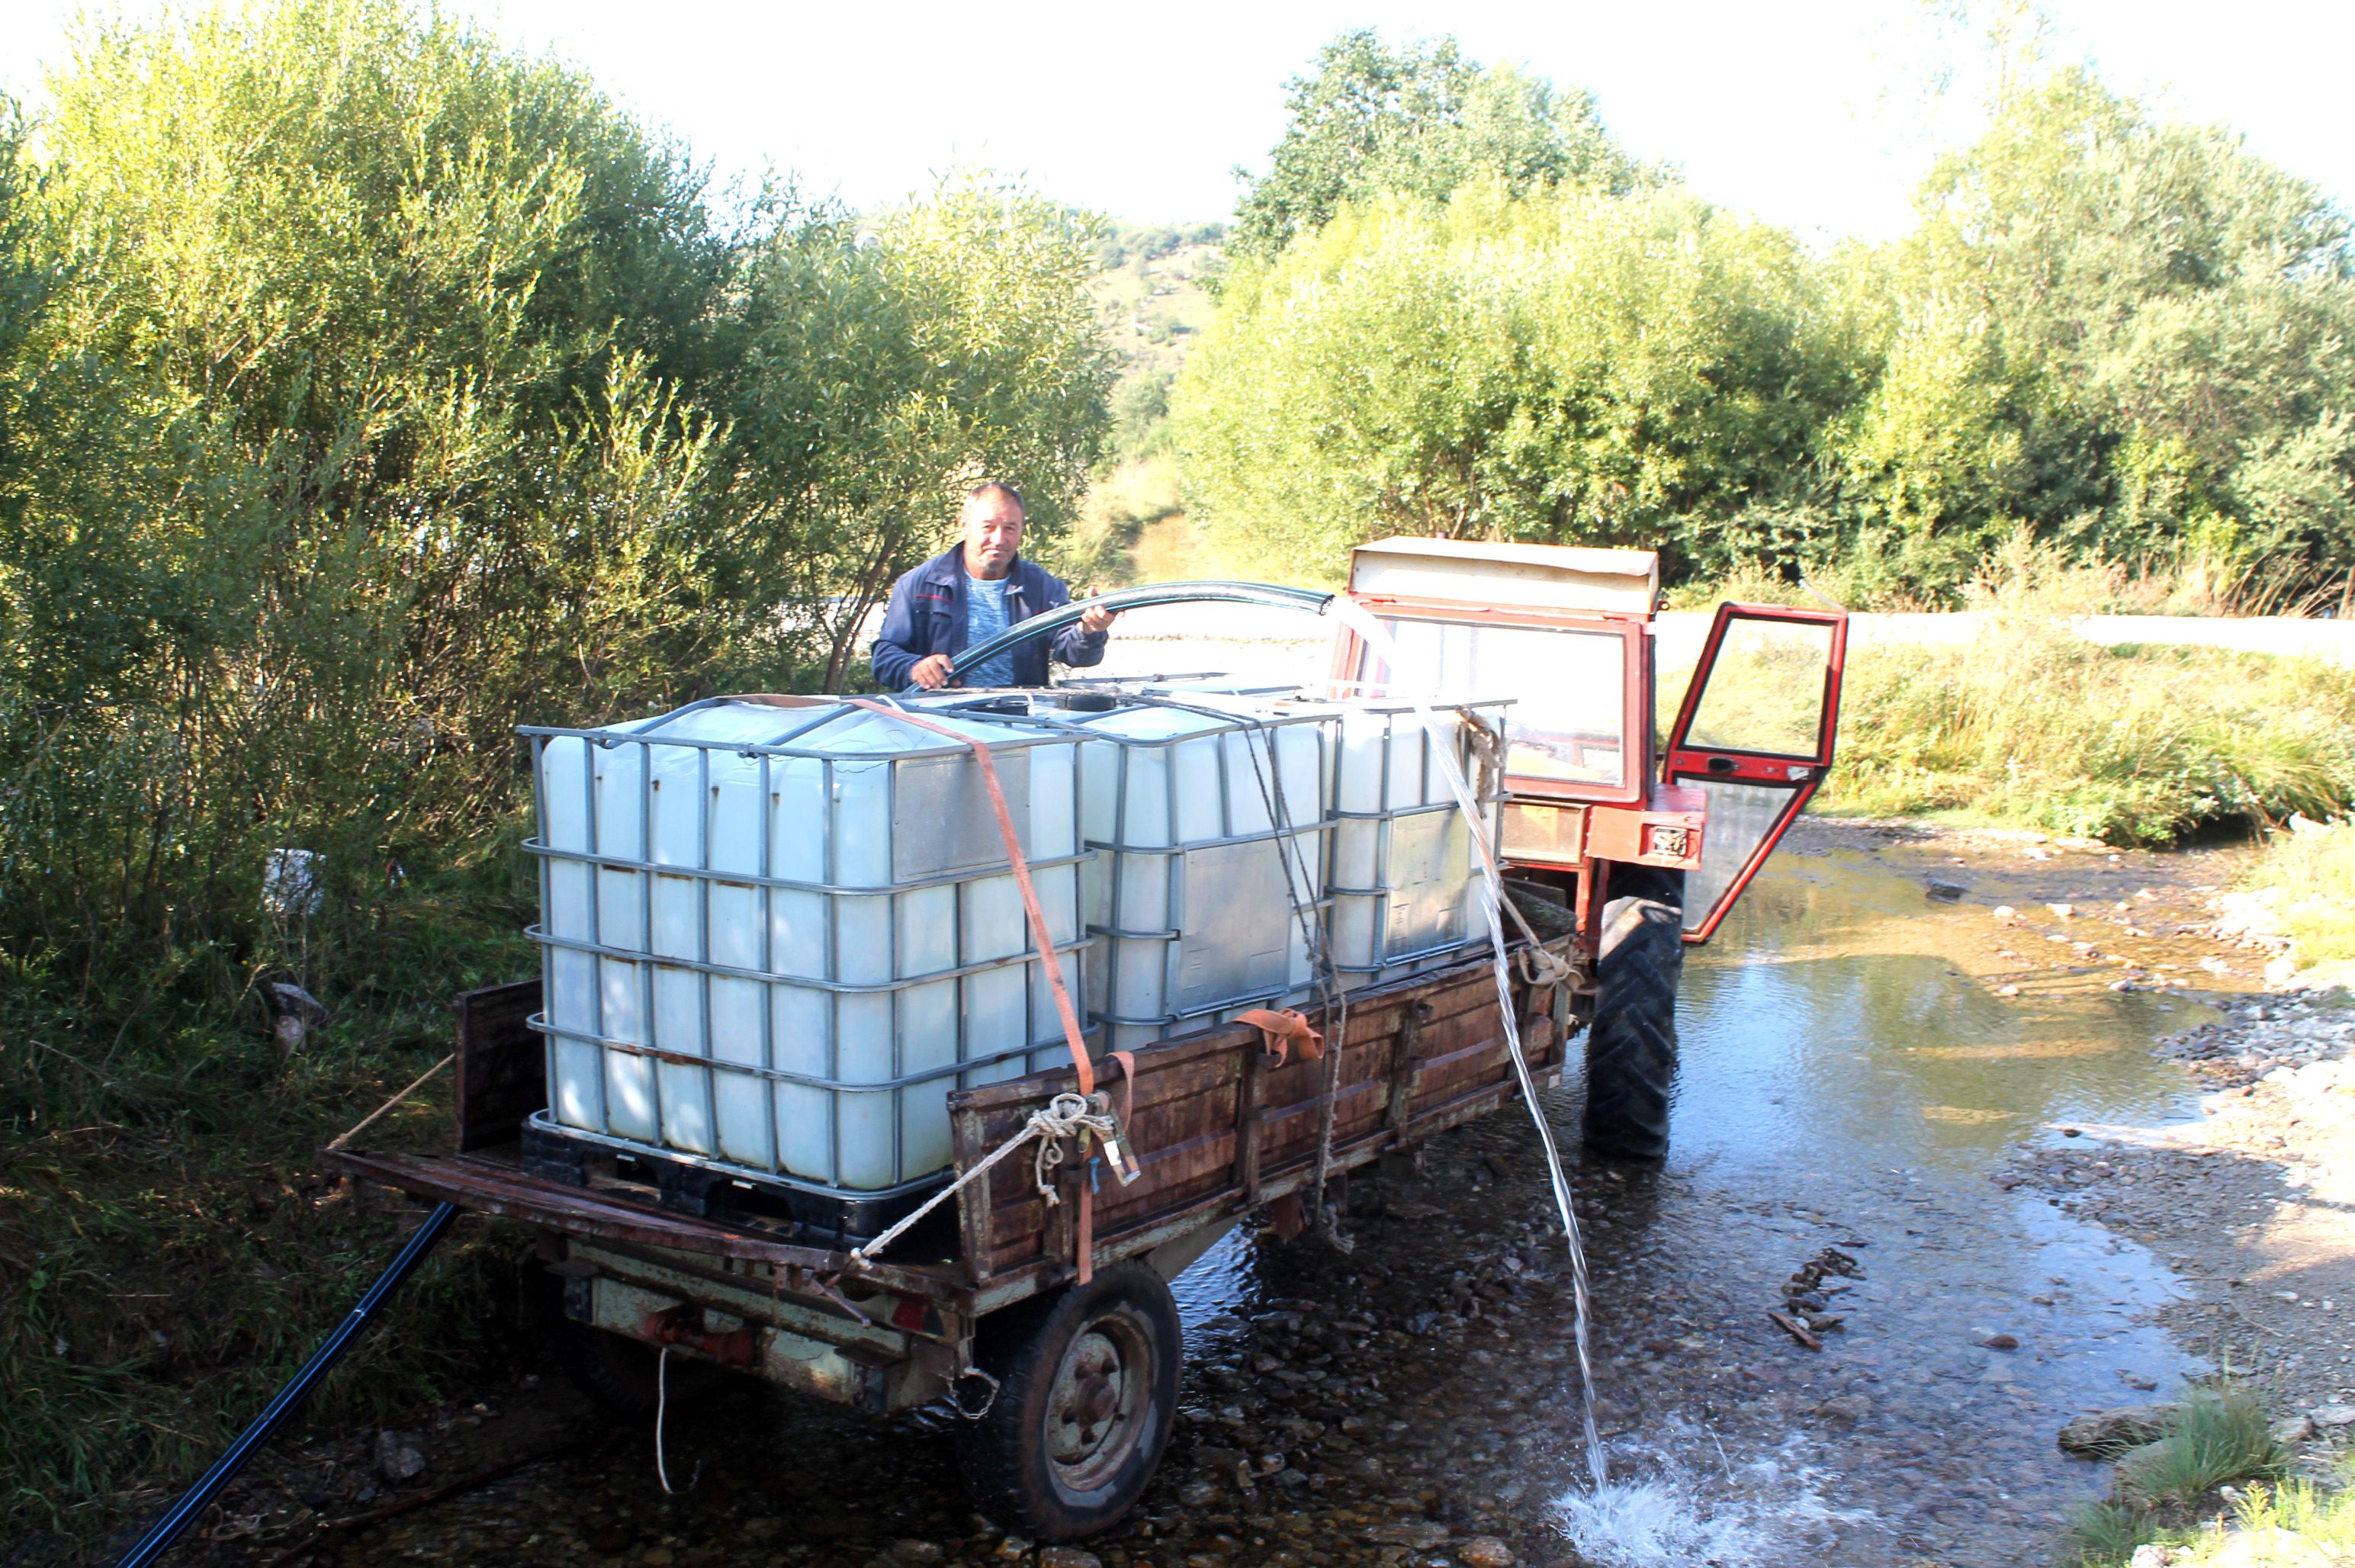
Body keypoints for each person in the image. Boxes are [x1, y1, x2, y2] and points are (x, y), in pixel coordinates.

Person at [871, 481, 1119, 690]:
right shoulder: (918, 584)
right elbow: (885, 657)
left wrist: (1090, 630)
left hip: (1019, 722)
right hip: (940, 723)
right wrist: (914, 668)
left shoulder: (1042, 586)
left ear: (1022, 530)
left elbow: (1076, 655)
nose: (999, 539)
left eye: (1010, 528)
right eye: (988, 527)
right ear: (964, 523)